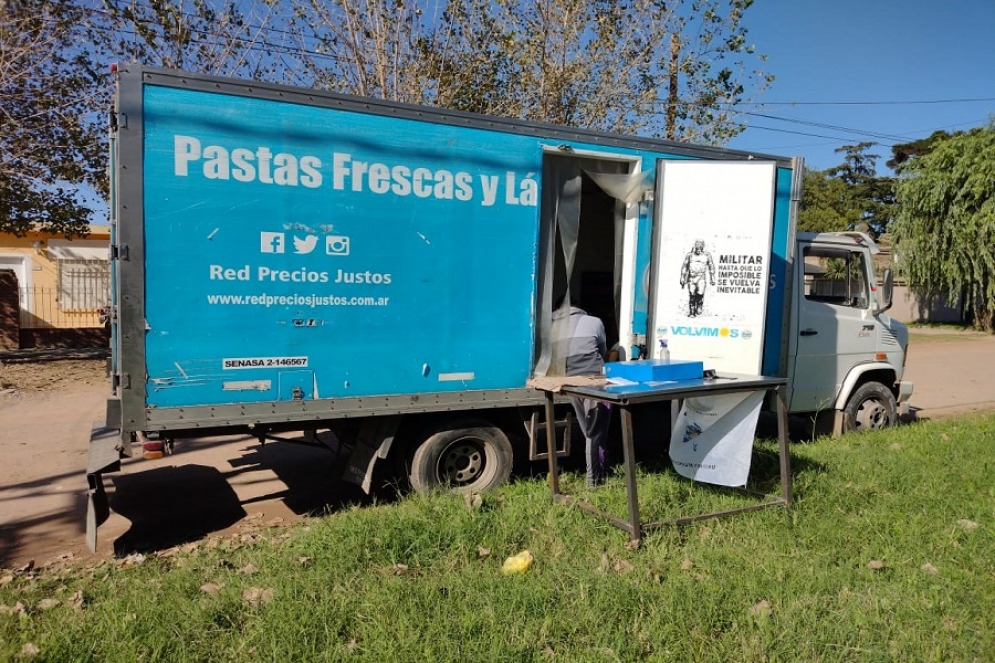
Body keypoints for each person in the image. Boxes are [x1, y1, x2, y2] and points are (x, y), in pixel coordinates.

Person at [552, 300, 610, 486]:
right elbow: (603, 351)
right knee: (594, 432)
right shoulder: (594, 321)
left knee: (588, 430)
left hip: (569, 380)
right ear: (579, 308)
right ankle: (593, 481)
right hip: (592, 379)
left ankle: (600, 470)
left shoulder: (552, 326)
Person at [680, 239, 715, 317]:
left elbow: (711, 265)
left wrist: (712, 277)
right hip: (692, 277)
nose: (699, 250)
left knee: (700, 293)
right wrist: (682, 277)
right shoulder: (689, 255)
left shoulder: (707, 255)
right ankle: (692, 312)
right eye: (697, 248)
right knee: (692, 294)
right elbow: (685, 266)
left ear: (702, 248)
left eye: (700, 248)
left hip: (701, 277)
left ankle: (699, 305)